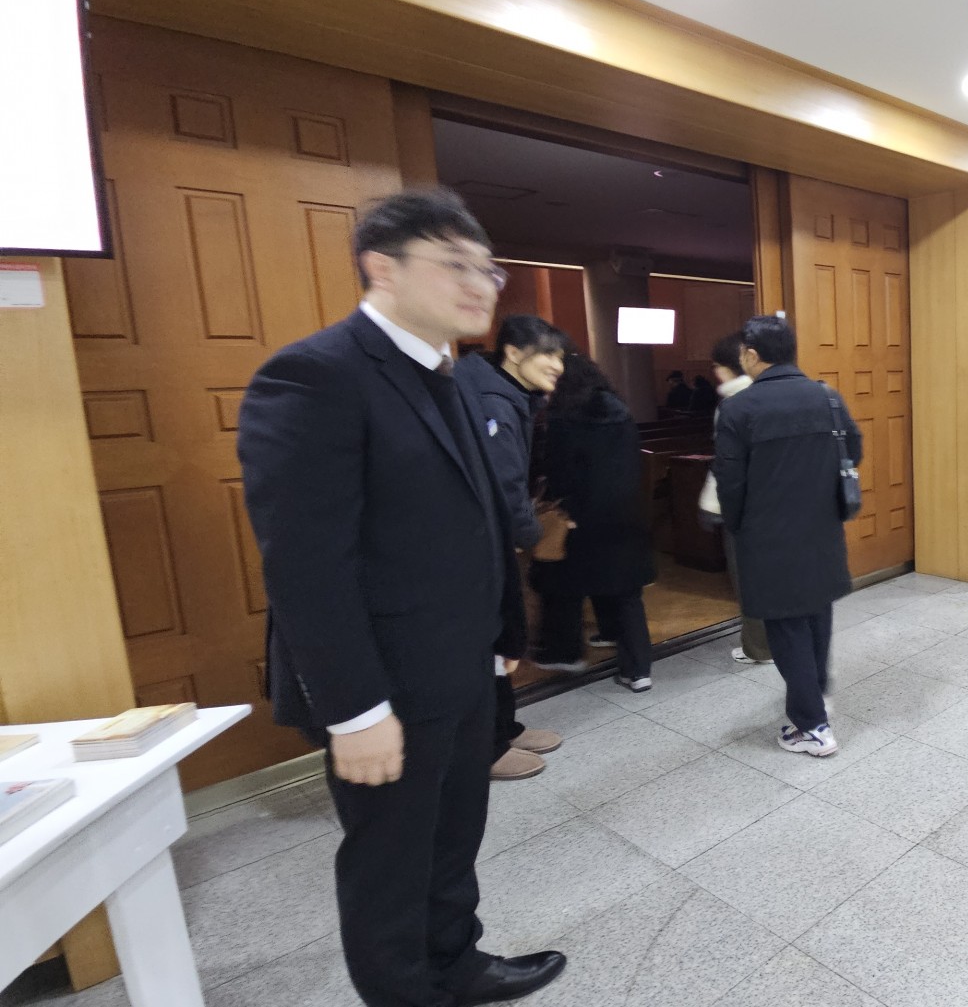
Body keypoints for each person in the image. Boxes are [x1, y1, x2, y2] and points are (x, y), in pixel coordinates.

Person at [237, 189, 565, 1006]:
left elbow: (481, 519)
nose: (481, 285)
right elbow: (306, 565)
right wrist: (352, 709)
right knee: (391, 860)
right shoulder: (317, 374)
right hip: (385, 685)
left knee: (454, 836)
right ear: (381, 267)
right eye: (455, 265)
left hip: (462, 666)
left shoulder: (448, 374)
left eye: (487, 269)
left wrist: (501, 636)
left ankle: (458, 962)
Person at [713, 315, 862, 756]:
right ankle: (819, 693)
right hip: (821, 527)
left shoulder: (739, 409)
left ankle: (812, 727)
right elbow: (853, 449)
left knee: (785, 626)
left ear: (751, 355)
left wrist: (736, 527)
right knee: (817, 613)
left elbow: (730, 483)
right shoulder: (826, 397)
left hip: (768, 534)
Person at [453, 315, 569, 782]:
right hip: (477, 544)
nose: (558, 365)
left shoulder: (504, 393)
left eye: (561, 356)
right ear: (514, 353)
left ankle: (504, 728)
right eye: (548, 354)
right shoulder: (493, 403)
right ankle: (487, 746)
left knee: (502, 637)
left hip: (490, 540)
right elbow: (505, 484)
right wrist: (530, 535)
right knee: (488, 641)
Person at [528, 355, 657, 692]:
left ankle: (564, 652)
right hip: (625, 512)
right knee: (626, 592)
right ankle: (638, 670)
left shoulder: (563, 417)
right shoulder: (620, 411)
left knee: (564, 584)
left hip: (580, 516)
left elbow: (558, 473)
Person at [698, 332, 773, 666]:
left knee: (748, 579)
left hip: (746, 507)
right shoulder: (776, 396)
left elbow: (725, 465)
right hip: (781, 503)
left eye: (717, 366)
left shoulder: (732, 405)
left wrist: (710, 506)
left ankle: (760, 648)